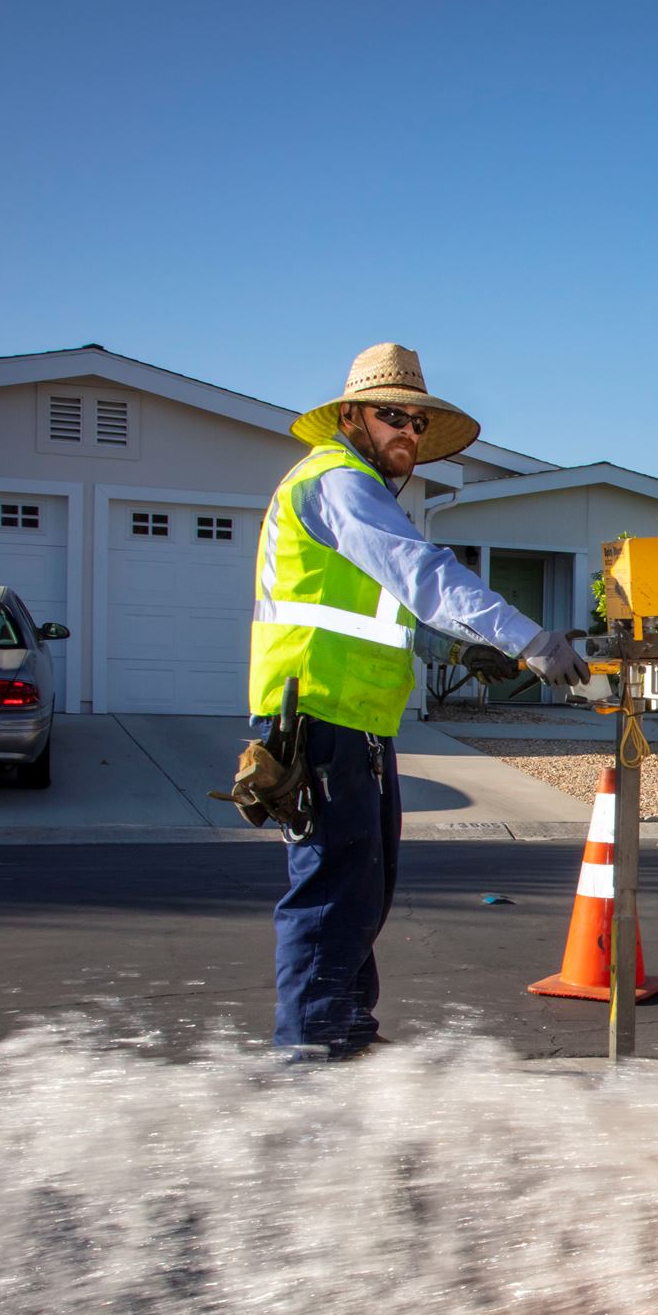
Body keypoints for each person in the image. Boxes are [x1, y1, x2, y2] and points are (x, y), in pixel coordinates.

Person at [249, 343, 590, 1058]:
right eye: (391, 415)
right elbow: (422, 576)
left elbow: (392, 614)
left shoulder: (362, 491)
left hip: (359, 724)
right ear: (351, 416)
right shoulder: (339, 481)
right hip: (317, 718)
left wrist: (458, 648)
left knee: (361, 895)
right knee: (331, 897)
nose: (407, 431)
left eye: (415, 421)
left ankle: (343, 1032)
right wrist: (528, 638)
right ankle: (310, 1054)